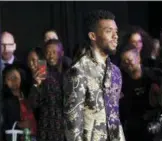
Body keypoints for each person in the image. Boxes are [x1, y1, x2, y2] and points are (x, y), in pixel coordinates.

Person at [63, 10, 125, 141]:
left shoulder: (116, 72)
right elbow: (72, 121)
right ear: (93, 35)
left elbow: (114, 115)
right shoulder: (79, 71)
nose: (115, 36)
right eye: (109, 31)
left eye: (116, 31)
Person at [29, 39, 70, 141]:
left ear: (62, 53)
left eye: (54, 52)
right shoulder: (41, 73)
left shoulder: (71, 72)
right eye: (47, 53)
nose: (51, 56)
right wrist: (36, 85)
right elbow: (33, 104)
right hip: (46, 130)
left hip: (66, 130)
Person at [2, 64, 37, 141]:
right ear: (4, 82)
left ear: (21, 77)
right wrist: (19, 124)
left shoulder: (28, 94)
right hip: (19, 137)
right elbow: (3, 123)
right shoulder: (4, 101)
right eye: (9, 79)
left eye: (15, 77)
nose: (13, 81)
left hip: (36, 136)